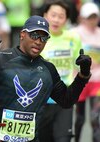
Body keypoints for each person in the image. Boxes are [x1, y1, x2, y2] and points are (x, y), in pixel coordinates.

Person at [0, 15, 91, 142]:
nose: (39, 41)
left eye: (44, 37)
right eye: (34, 35)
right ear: (22, 34)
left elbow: (66, 101)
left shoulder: (48, 69)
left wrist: (83, 75)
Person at [37, 1, 82, 142]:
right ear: (45, 16)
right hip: (41, 99)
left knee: (63, 139)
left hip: (64, 99)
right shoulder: (37, 38)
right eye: (53, 15)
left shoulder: (73, 38)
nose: (56, 20)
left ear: (66, 19)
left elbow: (78, 65)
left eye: (61, 16)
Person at [71, 2, 100, 142]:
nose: (92, 20)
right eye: (89, 17)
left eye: (95, 17)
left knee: (96, 117)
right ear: (82, 17)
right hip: (81, 79)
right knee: (80, 118)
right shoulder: (74, 33)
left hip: (97, 80)